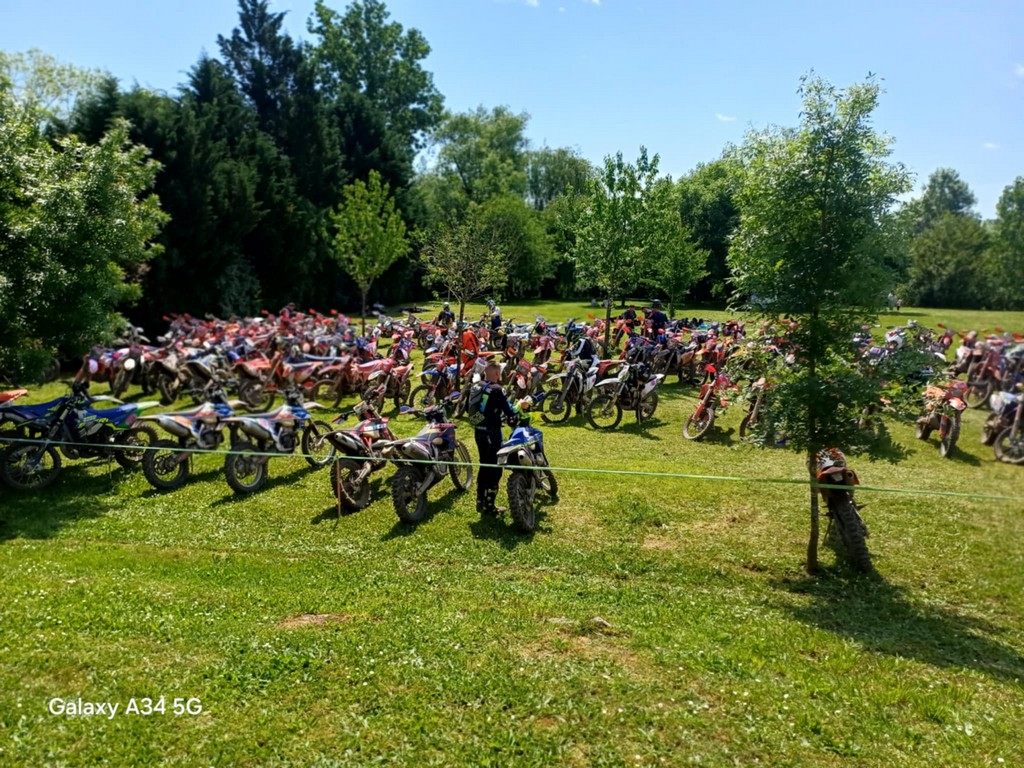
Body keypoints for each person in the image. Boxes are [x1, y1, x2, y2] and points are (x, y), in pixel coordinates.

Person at [471, 361, 516, 516]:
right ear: (497, 373)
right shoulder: (498, 389)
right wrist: (515, 414)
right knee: (495, 468)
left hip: (479, 431)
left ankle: (480, 500)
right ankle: (489, 505)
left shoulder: (476, 386)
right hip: (492, 433)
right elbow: (509, 411)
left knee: (484, 464)